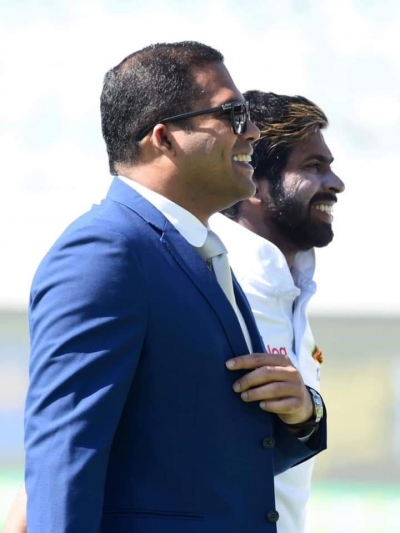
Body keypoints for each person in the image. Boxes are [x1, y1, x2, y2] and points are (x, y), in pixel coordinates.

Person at [7, 43, 327, 533]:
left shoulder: (199, 250)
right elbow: (66, 458)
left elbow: (212, 464)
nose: (254, 131)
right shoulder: (104, 252)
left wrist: (304, 415)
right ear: (164, 138)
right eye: (233, 113)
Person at [210, 90, 345, 533]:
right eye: (312, 166)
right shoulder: (205, 282)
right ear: (252, 183)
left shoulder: (294, 294)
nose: (336, 183)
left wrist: (308, 412)